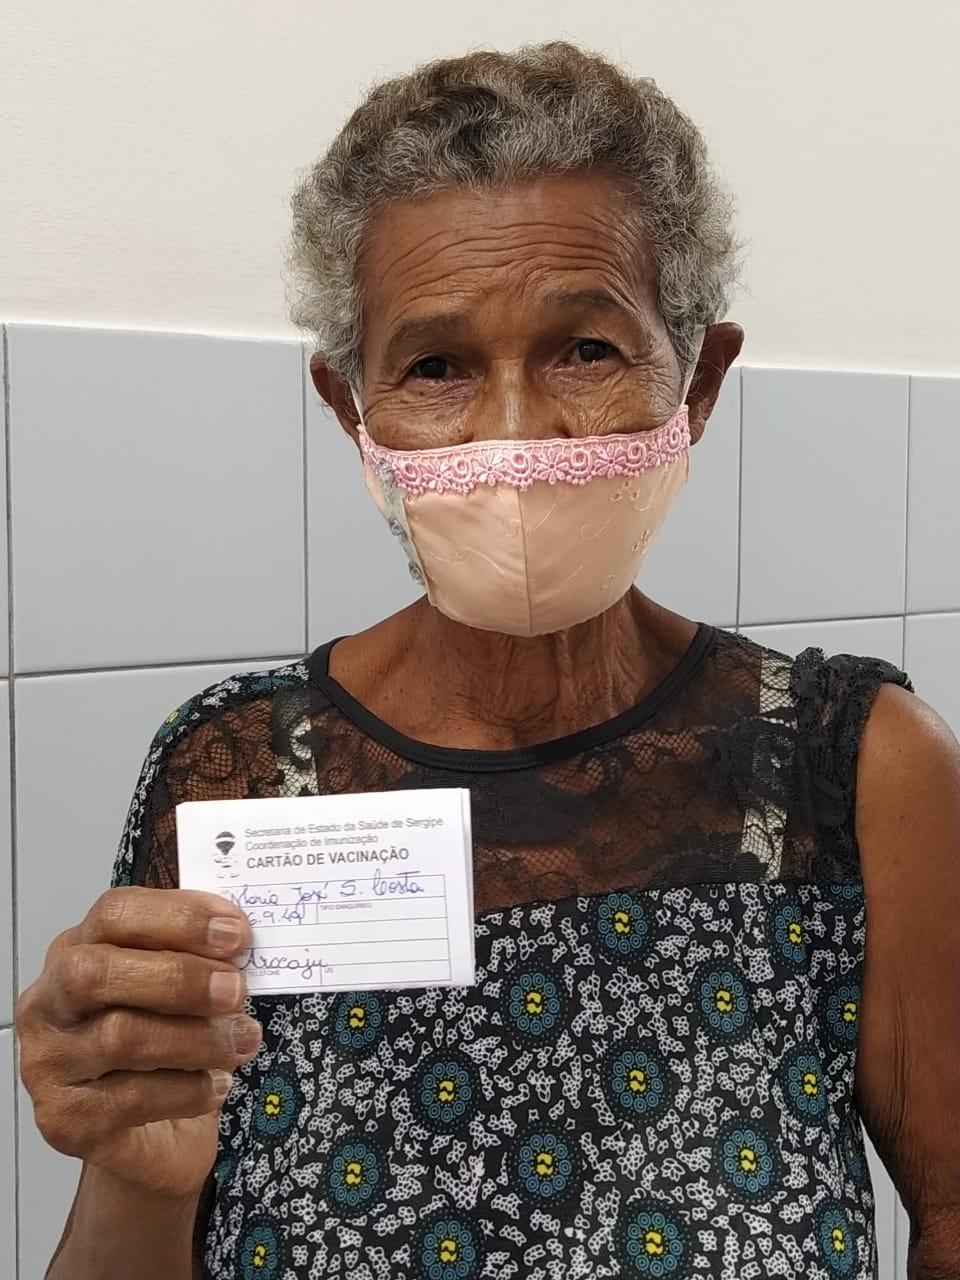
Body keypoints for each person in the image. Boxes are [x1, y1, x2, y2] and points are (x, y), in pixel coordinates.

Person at [14, 40, 960, 1280]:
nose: (514, 439)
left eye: (586, 350)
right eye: (437, 366)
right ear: (352, 410)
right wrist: (139, 1176)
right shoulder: (236, 772)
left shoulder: (860, 769)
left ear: (699, 382)